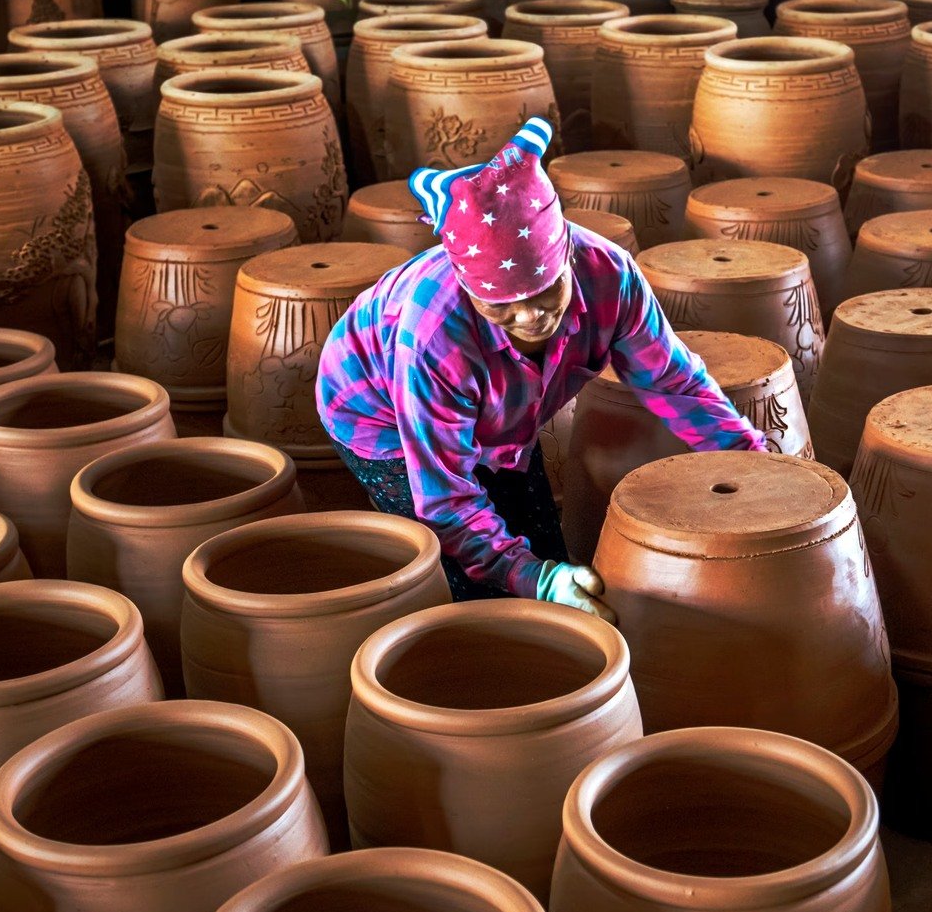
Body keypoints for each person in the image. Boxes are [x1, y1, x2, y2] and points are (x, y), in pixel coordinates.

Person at [316, 116, 765, 620]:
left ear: (568, 253)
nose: (531, 316)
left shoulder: (611, 277)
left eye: (547, 289)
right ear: (470, 290)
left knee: (541, 540)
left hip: (498, 406)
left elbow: (673, 382)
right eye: (502, 304)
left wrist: (750, 461)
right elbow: (446, 501)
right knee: (478, 592)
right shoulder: (433, 337)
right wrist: (535, 580)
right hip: (375, 409)